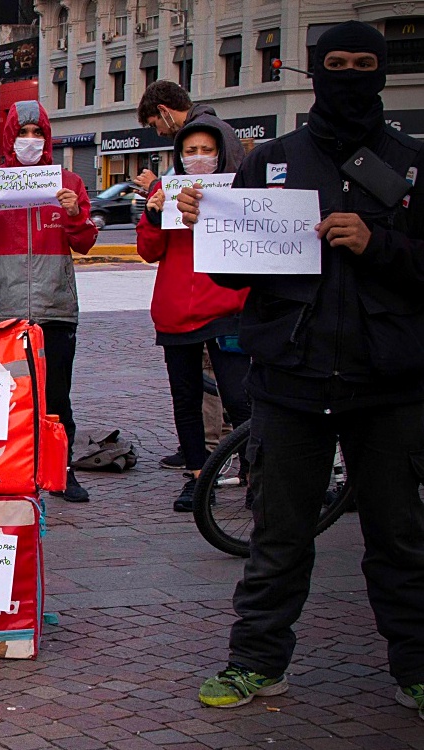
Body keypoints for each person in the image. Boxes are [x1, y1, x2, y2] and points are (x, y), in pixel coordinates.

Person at [177, 22, 424, 719]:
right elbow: (232, 271)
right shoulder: (273, 159)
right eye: (336, 65)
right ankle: (256, 662)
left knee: (400, 537)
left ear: (382, 73)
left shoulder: (411, 164)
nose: (349, 76)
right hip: (291, 379)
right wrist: (210, 222)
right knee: (279, 534)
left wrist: (378, 245)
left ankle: (415, 666)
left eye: (363, 64)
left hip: (390, 385)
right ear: (315, 73)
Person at [0, 100, 98, 503]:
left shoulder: (67, 183)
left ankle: (62, 471)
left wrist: (74, 215)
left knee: (57, 398)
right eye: (23, 133)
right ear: (9, 138)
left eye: (38, 133)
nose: (31, 141)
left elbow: (85, 242)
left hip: (55, 309)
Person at [135, 113, 250, 512]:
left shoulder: (238, 189)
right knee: (186, 401)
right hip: (176, 313)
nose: (198, 157)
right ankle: (199, 478)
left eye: (206, 150)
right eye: (190, 151)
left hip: (226, 309)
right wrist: (152, 216)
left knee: (240, 398)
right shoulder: (166, 190)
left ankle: (255, 474)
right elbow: (149, 252)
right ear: (179, 156)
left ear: (220, 153)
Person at [133, 81, 245, 190]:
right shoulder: (217, 125)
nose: (159, 132)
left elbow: (201, 189)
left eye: (154, 125)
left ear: (163, 111)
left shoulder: (199, 129)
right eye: (191, 151)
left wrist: (155, 186)